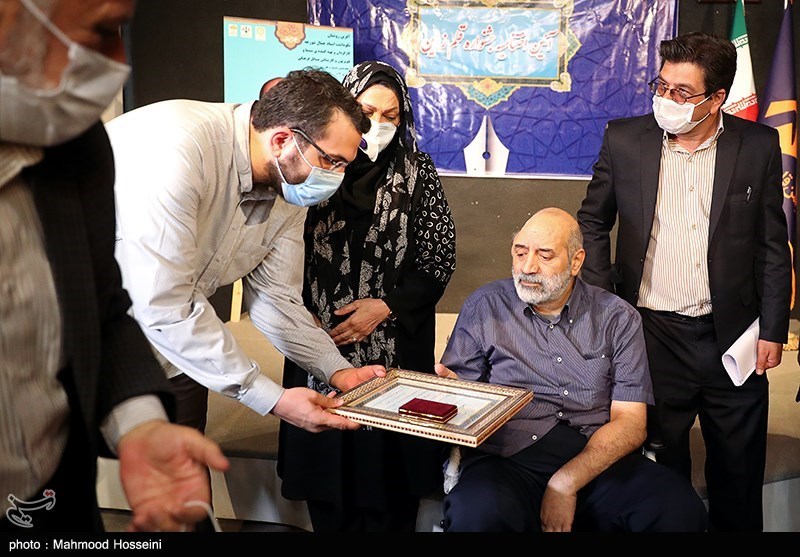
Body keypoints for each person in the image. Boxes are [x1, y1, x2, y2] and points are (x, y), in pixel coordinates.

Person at [0, 0, 229, 533]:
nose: (119, 62)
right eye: (102, 31)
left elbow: (102, 309)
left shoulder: (75, 145)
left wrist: (139, 424)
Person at [577, 32, 791, 532]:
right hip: (651, 335)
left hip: (733, 337)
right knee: (660, 474)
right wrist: (606, 302)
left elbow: (771, 244)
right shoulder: (624, 139)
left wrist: (773, 328)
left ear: (716, 99)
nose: (666, 99)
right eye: (661, 85)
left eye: (681, 92)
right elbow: (592, 221)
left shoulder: (757, 145)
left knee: (738, 474)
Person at [107, 68, 384, 437]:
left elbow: (275, 297)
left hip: (174, 351)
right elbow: (163, 302)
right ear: (282, 140)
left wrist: (337, 370)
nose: (336, 176)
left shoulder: (288, 180)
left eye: (343, 165)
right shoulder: (178, 150)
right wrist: (272, 398)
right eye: (331, 161)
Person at [435, 208, 708, 532]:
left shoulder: (617, 318)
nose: (527, 267)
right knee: (476, 515)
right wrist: (452, 396)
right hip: (507, 458)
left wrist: (566, 482)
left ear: (576, 261)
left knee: (678, 509)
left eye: (544, 255)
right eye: (520, 253)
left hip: (596, 458)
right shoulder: (485, 306)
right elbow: (458, 410)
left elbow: (631, 423)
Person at [277, 60, 457, 532]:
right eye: (367, 112)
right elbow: (281, 249)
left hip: (394, 345)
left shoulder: (417, 173)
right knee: (327, 477)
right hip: (317, 340)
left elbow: (438, 260)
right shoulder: (318, 166)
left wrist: (385, 307)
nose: (378, 124)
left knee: (390, 485)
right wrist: (303, 314)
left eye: (391, 115)